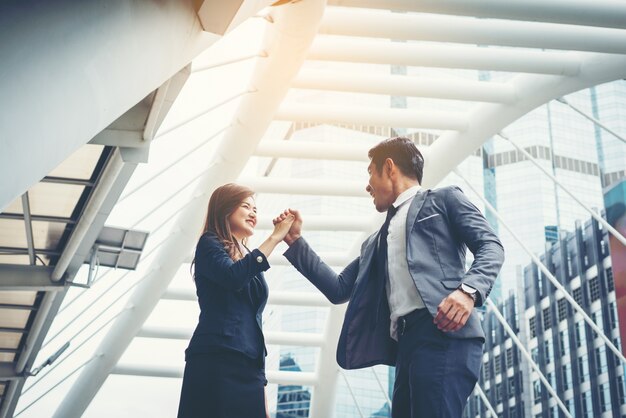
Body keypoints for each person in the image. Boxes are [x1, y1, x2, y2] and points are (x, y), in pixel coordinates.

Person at [274, 137, 504, 418]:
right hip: (406, 347)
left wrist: (467, 291)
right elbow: (338, 288)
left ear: (390, 167)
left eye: (370, 172)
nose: (367, 185)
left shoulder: (444, 200)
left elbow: (490, 245)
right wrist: (295, 242)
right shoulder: (376, 243)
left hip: (443, 332)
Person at [177, 183, 294, 418]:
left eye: (256, 209)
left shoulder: (246, 257)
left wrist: (262, 389)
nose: (253, 213)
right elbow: (232, 277)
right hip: (217, 359)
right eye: (246, 206)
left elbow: (255, 319)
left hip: (249, 365)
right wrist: (274, 238)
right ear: (225, 209)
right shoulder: (210, 243)